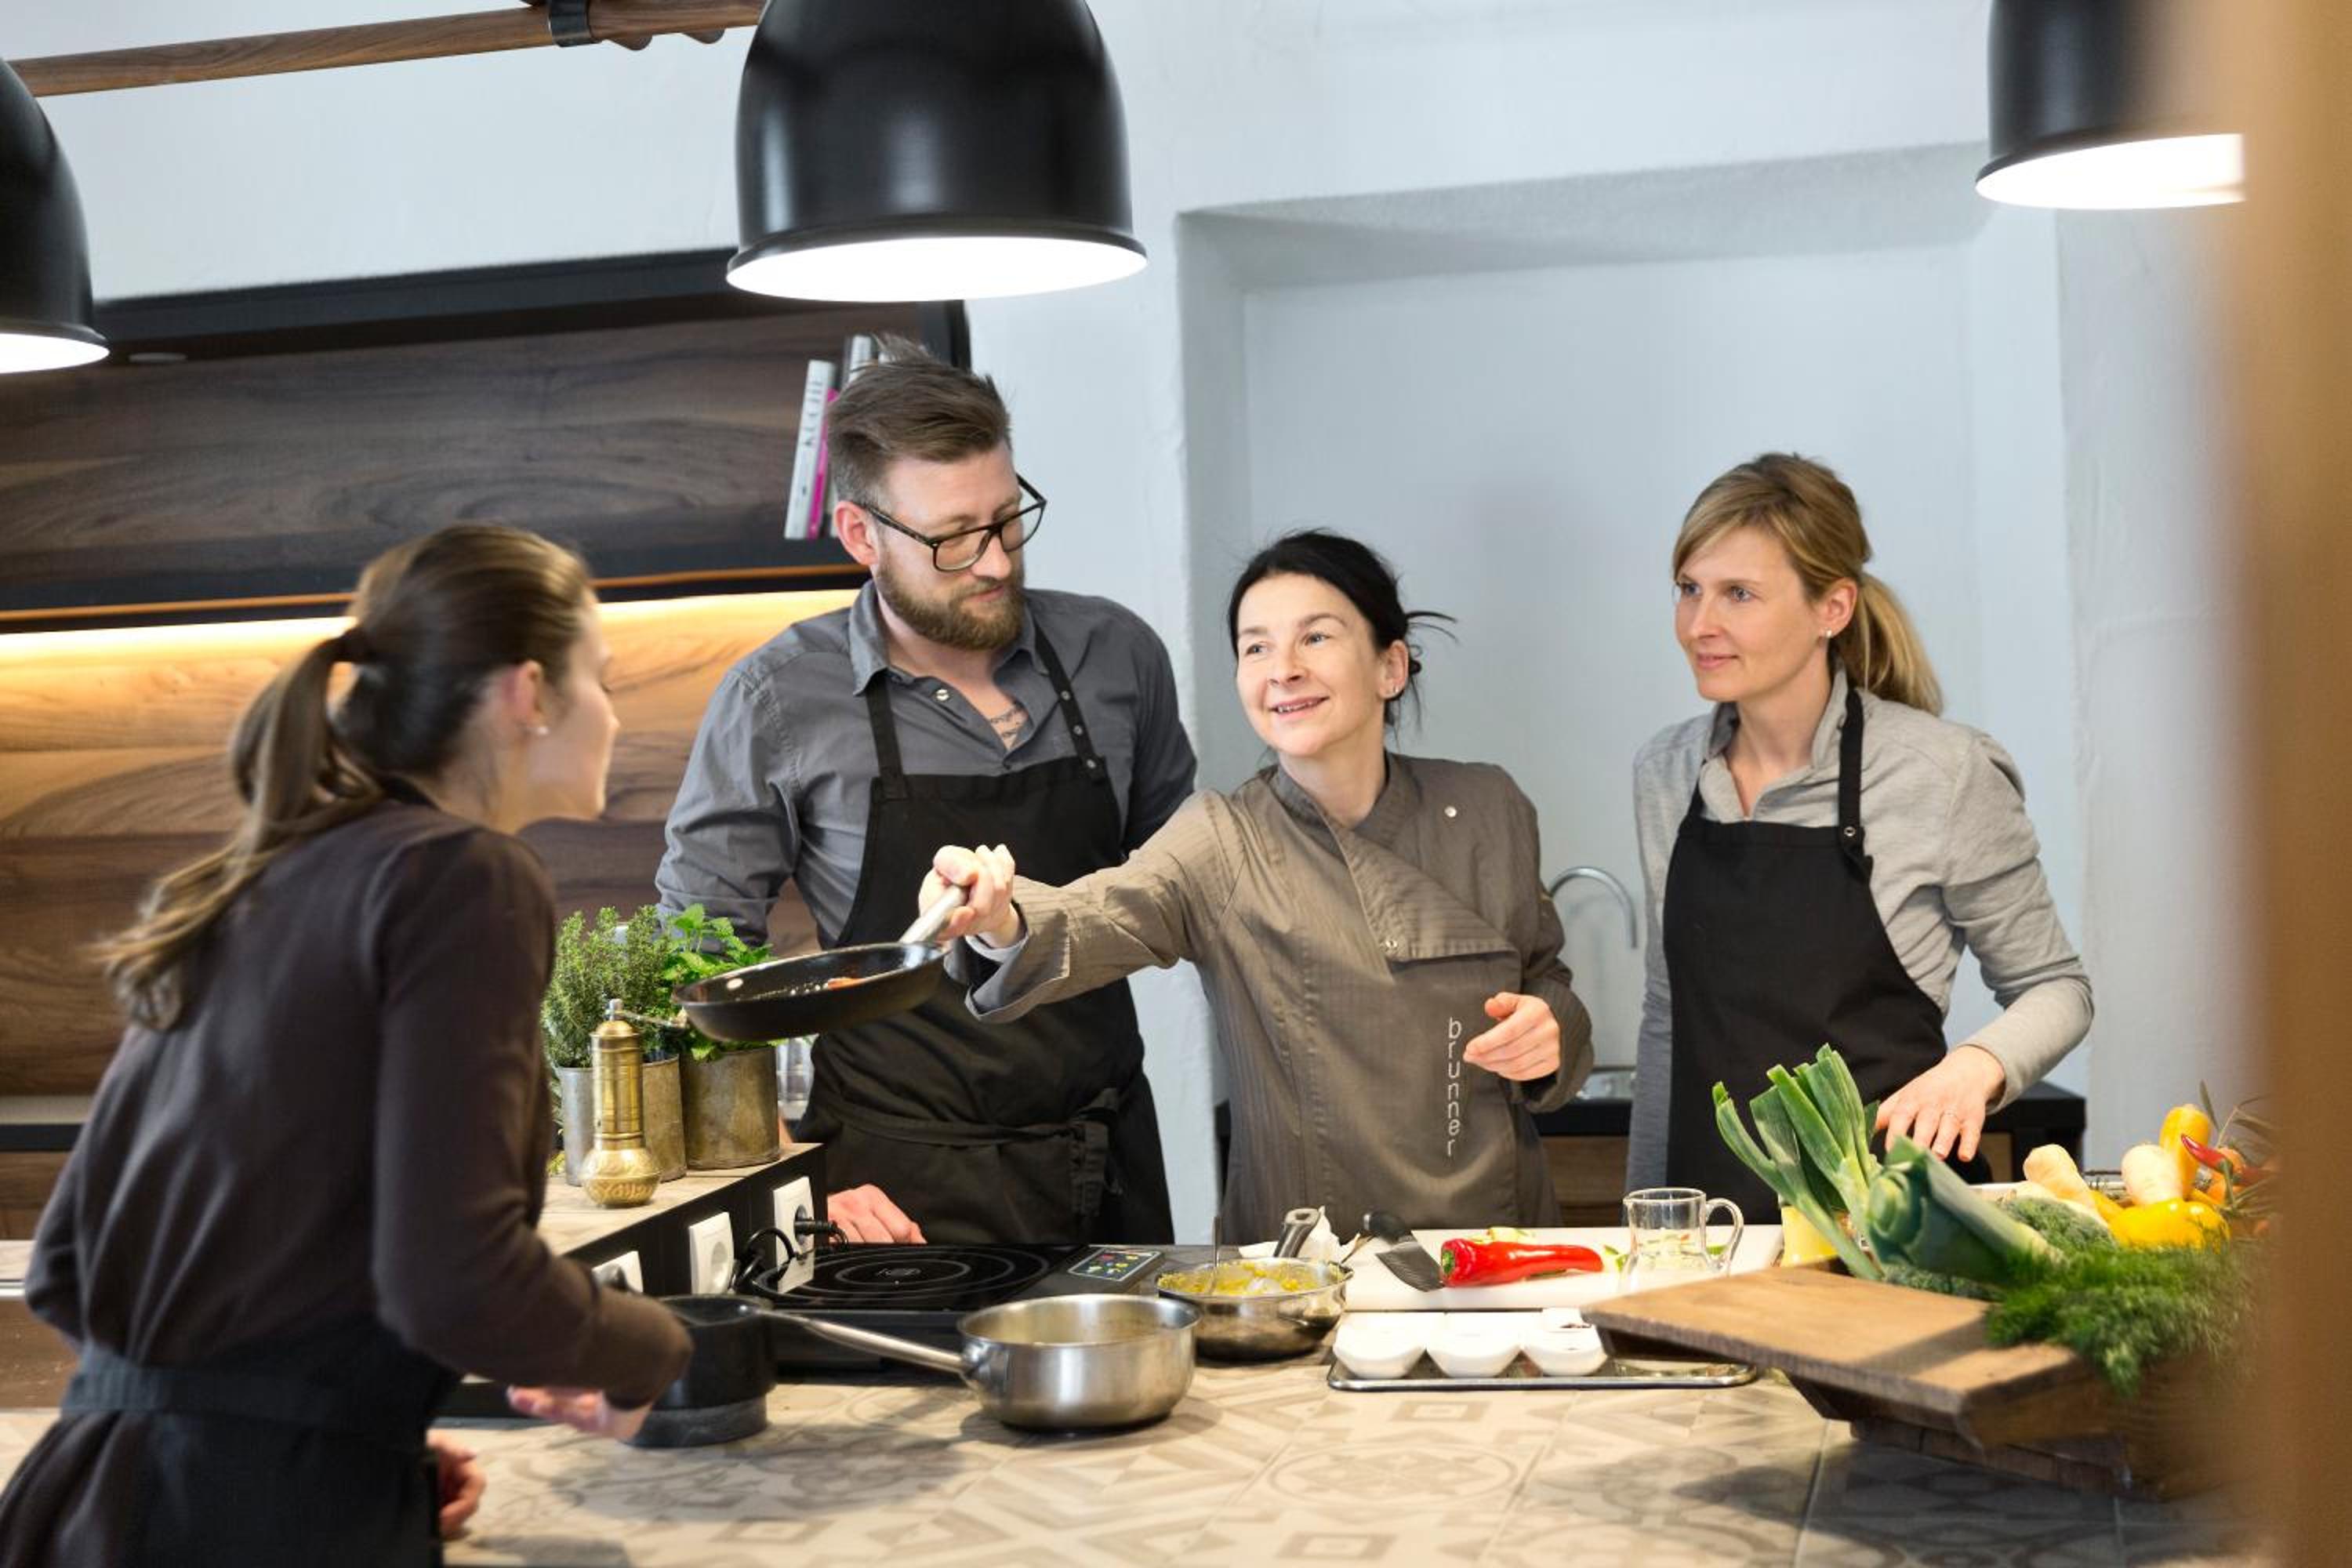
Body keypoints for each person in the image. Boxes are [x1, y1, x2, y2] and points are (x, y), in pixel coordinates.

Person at [0, 526, 691, 1568]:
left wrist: (341, 1440)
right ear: (528, 693)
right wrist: (656, 1347)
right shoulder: (464, 876)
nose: (615, 712)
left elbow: (62, 1270)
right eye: (604, 678)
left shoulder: (254, 875)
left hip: (87, 1501)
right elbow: (456, 1280)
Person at [656, 343, 1196, 1247]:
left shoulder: (1116, 655)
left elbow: (1184, 886)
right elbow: (693, 956)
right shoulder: (777, 699)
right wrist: (786, 1168)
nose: (995, 562)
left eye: (1009, 519)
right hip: (894, 1189)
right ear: (860, 535)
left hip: (1109, 1157)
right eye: (953, 538)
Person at [925, 531, 1595, 1242]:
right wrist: (999, 916)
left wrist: (1548, 1029)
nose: (1283, 670)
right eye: (1256, 647)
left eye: (1316, 637)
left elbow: (1545, 977)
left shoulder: (1490, 806)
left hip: (1503, 1248)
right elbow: (1095, 917)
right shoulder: (1223, 837)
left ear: (1390, 667)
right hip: (1308, 1269)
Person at [1629, 454, 2093, 1214]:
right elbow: (1667, 1015)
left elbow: (2057, 987)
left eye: (1738, 593)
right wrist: (1649, 1218)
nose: (1698, 624)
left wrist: (1976, 1064)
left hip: (1897, 1226)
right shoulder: (1667, 771)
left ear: (1833, 608)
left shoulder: (1942, 773)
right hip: (1721, 1229)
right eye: (1688, 588)